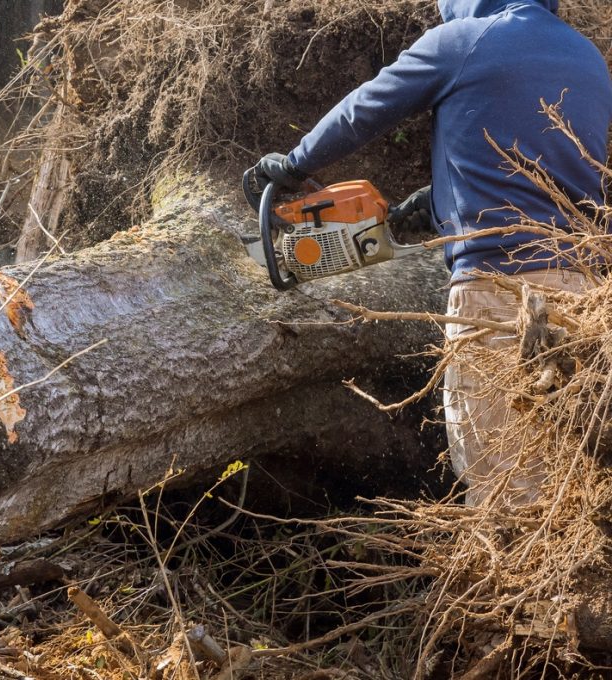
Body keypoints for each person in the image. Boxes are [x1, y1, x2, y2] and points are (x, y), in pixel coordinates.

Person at [250, 0, 612, 506]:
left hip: (498, 296)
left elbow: (366, 109)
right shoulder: (587, 56)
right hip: (585, 297)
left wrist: (290, 166)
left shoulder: (466, 41)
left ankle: (514, 583)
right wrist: (442, 202)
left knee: (497, 477)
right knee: (571, 474)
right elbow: (541, 160)